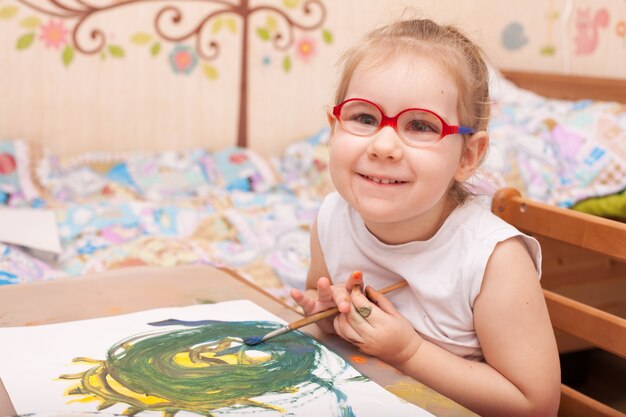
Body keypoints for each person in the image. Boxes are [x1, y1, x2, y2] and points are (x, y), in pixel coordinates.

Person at [290, 19, 561, 417]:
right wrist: (329, 317)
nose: (383, 146)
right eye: (365, 118)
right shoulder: (332, 218)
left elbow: (536, 405)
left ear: (468, 156)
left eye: (420, 126)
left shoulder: (493, 260)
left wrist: (408, 351)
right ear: (333, 130)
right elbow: (324, 302)